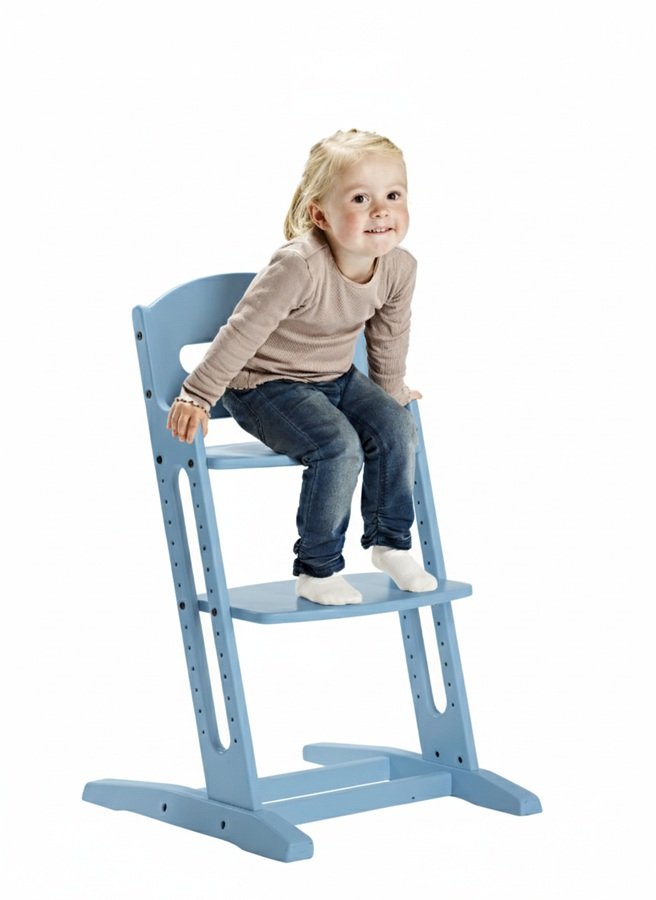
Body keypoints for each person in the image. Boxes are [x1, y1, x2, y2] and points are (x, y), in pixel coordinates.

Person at [167, 128, 437, 606]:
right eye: (360, 198)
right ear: (320, 215)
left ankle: (389, 542)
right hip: (264, 385)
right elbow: (242, 331)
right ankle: (318, 569)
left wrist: (391, 391)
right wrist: (198, 394)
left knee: (398, 426)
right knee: (339, 446)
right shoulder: (299, 266)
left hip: (335, 378)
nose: (381, 210)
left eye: (393, 195)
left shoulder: (399, 267)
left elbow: (389, 335)